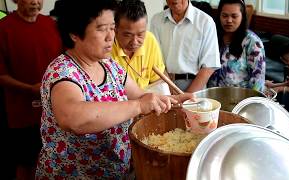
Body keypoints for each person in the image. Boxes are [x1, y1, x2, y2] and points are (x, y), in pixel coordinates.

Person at [35, 0, 192, 179]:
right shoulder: (62, 72)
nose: (111, 36)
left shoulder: (109, 66)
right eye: (102, 29)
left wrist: (172, 102)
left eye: (112, 27)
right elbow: (73, 118)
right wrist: (138, 106)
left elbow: (141, 95)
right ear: (74, 33)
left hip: (115, 171)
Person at [0, 0, 62, 179]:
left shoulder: (51, 25)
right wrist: (30, 89)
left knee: (51, 159)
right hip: (21, 114)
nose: (35, 1)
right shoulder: (4, 28)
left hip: (53, 111)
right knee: (25, 163)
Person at [150, 0, 220, 93]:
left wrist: (186, 97)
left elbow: (208, 67)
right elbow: (155, 60)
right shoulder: (156, 20)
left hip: (195, 88)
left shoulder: (205, 22)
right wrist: (170, 90)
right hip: (163, 85)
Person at [207, 0, 265, 92]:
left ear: (242, 16)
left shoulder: (252, 42)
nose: (229, 20)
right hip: (211, 100)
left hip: (239, 101)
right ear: (219, 16)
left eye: (234, 16)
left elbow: (257, 83)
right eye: (225, 16)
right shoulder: (212, 36)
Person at [112, 0, 167, 92]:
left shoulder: (149, 40)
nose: (134, 42)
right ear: (115, 30)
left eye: (140, 34)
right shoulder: (106, 48)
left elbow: (158, 80)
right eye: (127, 35)